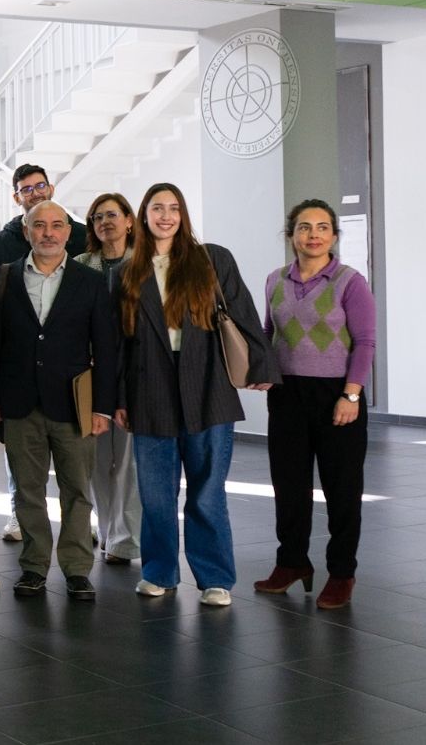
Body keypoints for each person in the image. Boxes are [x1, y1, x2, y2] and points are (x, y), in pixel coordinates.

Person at [113, 183, 278, 607]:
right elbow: (118, 345)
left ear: (183, 214)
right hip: (149, 392)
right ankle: (159, 573)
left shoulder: (211, 259)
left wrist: (261, 365)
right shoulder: (127, 271)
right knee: (155, 495)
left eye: (174, 208)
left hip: (208, 388)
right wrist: (119, 399)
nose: (166, 216)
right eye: (157, 208)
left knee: (207, 492)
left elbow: (242, 312)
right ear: (143, 215)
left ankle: (215, 578)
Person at [0, 202, 118, 600]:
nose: (49, 233)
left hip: (75, 405)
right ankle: (34, 566)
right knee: (28, 490)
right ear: (26, 231)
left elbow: (105, 350)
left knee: (77, 489)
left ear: (68, 232)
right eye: (39, 225)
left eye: (57, 225)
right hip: (18, 402)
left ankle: (76, 569)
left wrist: (102, 406)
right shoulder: (1, 279)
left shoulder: (88, 281)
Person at [255, 199, 375, 610]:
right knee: (288, 486)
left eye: (323, 227)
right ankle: (291, 563)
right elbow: (269, 333)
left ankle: (341, 573)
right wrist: (262, 370)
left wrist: (352, 394)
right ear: (291, 235)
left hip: (336, 396)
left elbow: (365, 342)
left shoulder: (349, 282)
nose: (313, 235)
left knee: (342, 489)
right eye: (305, 227)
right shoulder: (274, 280)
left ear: (334, 236)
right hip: (286, 395)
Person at [0, 165, 88, 543]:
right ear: (18, 200)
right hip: (20, 384)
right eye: (26, 189)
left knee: (76, 477)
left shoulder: (80, 242)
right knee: (25, 476)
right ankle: (23, 532)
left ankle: (78, 550)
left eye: (39, 186)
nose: (34, 192)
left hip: (68, 384)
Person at [74, 193, 142, 565]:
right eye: (97, 217)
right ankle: (108, 528)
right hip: (90, 373)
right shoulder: (81, 265)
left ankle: (126, 539)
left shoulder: (145, 264)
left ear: (129, 221)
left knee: (130, 459)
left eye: (112, 215)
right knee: (97, 459)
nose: (105, 222)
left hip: (134, 372)